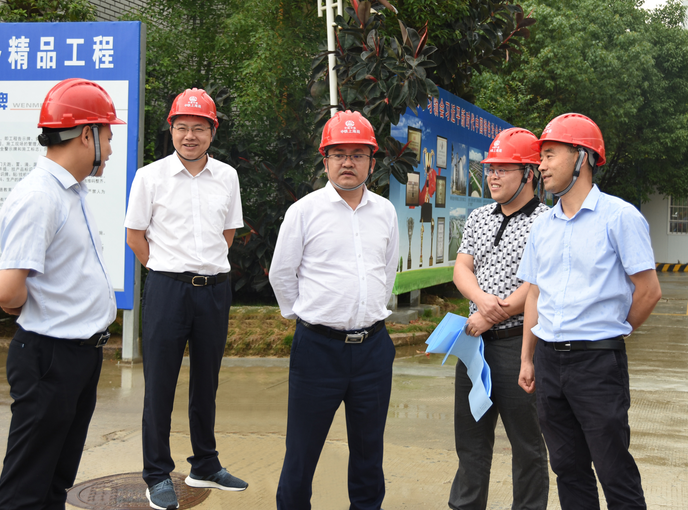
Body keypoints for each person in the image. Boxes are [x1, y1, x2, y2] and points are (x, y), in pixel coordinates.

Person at [517, 113, 662, 510]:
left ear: (581, 157)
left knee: (613, 470)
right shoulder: (543, 226)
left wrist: (612, 331)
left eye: (550, 155)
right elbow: (535, 293)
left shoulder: (620, 217)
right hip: (549, 363)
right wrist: (527, 357)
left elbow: (649, 291)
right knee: (568, 469)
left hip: (598, 366)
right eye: (541, 157)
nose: (541, 166)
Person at [0, 78, 123, 510]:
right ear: (86, 134)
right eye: (108, 136)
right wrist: (48, 312)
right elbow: (9, 292)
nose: (111, 149)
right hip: (49, 357)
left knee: (55, 482)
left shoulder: (70, 191)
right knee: (26, 489)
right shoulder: (39, 197)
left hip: (77, 357)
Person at [269, 110, 399, 510]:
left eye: (358, 154)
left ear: (371, 162)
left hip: (373, 351)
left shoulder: (385, 212)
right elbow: (281, 274)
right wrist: (307, 317)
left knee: (368, 453)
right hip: (317, 351)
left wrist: (366, 311)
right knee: (302, 452)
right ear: (325, 160)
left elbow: (387, 270)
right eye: (339, 154)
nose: (348, 162)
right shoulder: (304, 211)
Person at [124, 88, 246, 510]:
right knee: (159, 384)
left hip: (214, 290)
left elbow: (227, 233)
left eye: (198, 128)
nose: (189, 136)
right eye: (182, 127)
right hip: (167, 291)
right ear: (171, 130)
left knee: (207, 381)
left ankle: (205, 464)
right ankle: (157, 474)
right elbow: (135, 236)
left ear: (212, 132)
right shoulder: (150, 176)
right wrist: (165, 270)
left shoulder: (227, 177)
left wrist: (204, 268)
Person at [449, 128, 549, 510]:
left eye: (503, 169)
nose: (492, 176)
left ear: (528, 174)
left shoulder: (547, 222)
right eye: (490, 168)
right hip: (474, 346)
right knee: (470, 442)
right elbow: (462, 268)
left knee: (527, 446)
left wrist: (494, 316)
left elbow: (537, 285)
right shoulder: (478, 217)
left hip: (518, 346)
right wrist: (481, 303)